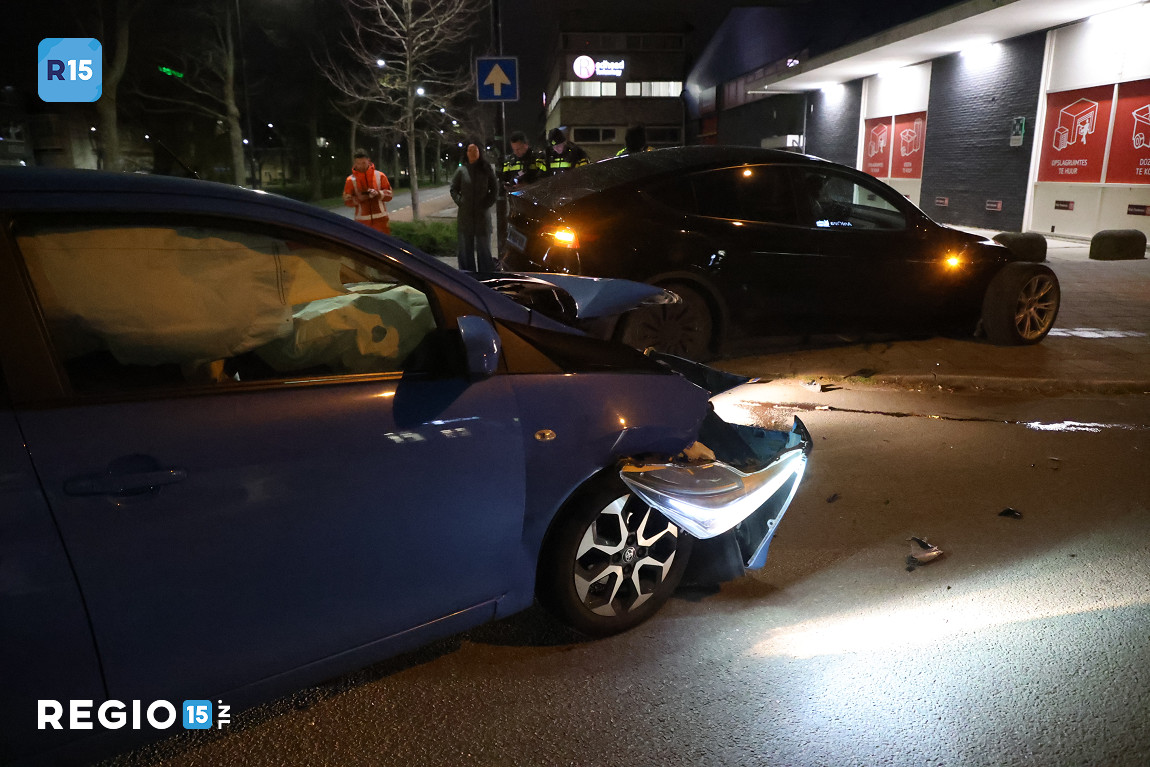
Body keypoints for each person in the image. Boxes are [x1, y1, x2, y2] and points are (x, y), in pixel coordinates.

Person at [450, 141, 499, 272]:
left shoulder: (486, 169)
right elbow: (453, 189)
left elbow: (494, 189)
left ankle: (485, 277)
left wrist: (487, 203)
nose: (473, 153)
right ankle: (468, 278)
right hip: (465, 217)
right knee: (465, 251)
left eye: (475, 150)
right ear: (466, 153)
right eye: (470, 150)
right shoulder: (461, 170)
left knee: (484, 249)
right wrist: (461, 201)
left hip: (482, 216)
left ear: (479, 152)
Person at [343, 148, 394, 234]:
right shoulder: (350, 180)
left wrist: (378, 193)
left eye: (363, 163)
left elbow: (389, 195)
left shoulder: (380, 176)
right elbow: (347, 201)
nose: (361, 166)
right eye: (358, 163)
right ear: (355, 163)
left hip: (381, 221)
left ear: (368, 161)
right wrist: (360, 198)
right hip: (362, 222)